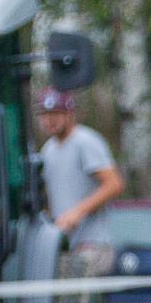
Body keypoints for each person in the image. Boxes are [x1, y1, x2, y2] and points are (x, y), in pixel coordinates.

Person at [36, 88, 124, 242]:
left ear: (69, 113)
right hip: (63, 241)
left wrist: (78, 211)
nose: (49, 120)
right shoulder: (47, 149)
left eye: (55, 113)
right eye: (45, 114)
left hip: (92, 242)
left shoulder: (85, 141)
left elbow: (114, 184)